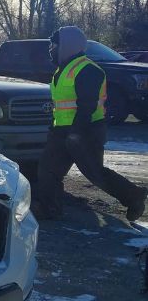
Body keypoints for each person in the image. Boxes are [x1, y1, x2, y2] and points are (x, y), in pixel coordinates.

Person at [34, 26, 147, 222]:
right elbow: (61, 106)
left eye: (54, 45)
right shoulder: (62, 70)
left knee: (95, 174)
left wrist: (76, 134)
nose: (51, 49)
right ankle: (48, 208)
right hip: (62, 132)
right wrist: (56, 128)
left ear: (67, 46)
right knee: (48, 170)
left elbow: (86, 106)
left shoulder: (88, 70)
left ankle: (134, 196)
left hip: (85, 132)